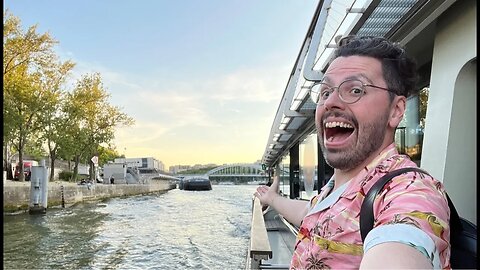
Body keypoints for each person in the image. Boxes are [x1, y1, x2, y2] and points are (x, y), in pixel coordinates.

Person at [255, 35, 450, 269]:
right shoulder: (337, 189)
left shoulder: (409, 191)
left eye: (355, 90)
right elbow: (311, 213)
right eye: (325, 92)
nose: (330, 102)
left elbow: (403, 244)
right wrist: (272, 198)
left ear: (396, 110)